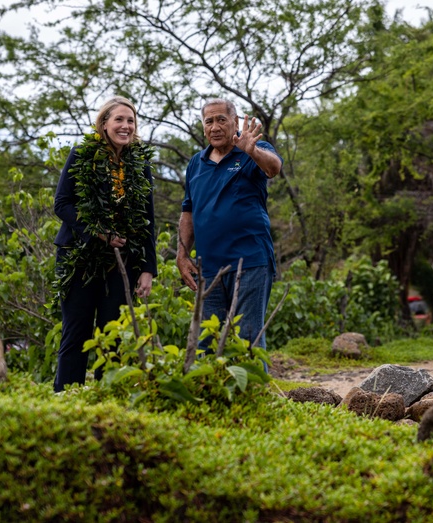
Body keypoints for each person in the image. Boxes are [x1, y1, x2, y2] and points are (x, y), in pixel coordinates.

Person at [53, 97, 157, 392]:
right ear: (104, 124)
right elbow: (62, 204)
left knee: (113, 334)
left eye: (131, 121)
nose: (125, 126)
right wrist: (99, 232)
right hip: (80, 258)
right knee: (77, 333)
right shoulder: (82, 154)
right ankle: (67, 398)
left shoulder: (139, 162)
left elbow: (147, 217)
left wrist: (148, 268)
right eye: (119, 120)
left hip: (121, 262)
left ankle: (107, 399)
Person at [176, 99, 282, 350]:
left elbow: (274, 168)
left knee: (248, 337)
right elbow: (188, 212)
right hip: (208, 266)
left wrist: (252, 151)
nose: (215, 127)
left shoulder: (253, 149)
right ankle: (209, 390)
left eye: (221, 120)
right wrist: (182, 254)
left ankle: (253, 390)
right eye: (209, 121)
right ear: (203, 127)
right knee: (207, 341)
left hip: (250, 261)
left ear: (235, 122)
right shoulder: (196, 163)